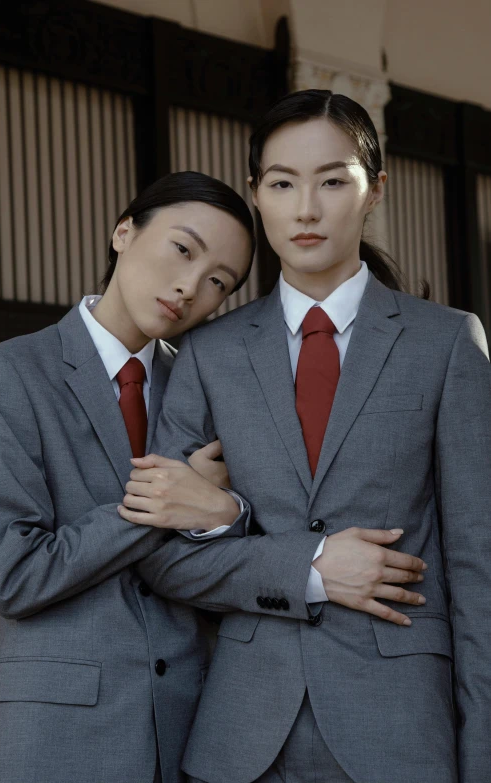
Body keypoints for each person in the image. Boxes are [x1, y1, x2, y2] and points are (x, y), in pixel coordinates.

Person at [124, 91, 491, 783]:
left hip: (402, 734)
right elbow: (161, 559)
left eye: (332, 180)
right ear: (258, 195)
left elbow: (479, 569)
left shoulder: (447, 343)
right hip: (242, 739)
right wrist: (311, 567)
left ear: (375, 189)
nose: (306, 209)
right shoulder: (209, 354)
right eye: (282, 183)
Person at [0, 171, 325, 783]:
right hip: (52, 739)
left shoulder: (211, 388)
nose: (191, 287)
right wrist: (167, 499)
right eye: (183, 250)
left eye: (220, 282)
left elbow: (239, 551)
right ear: (124, 231)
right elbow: (14, 575)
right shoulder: (10, 373)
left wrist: (224, 516)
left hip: (191, 732)